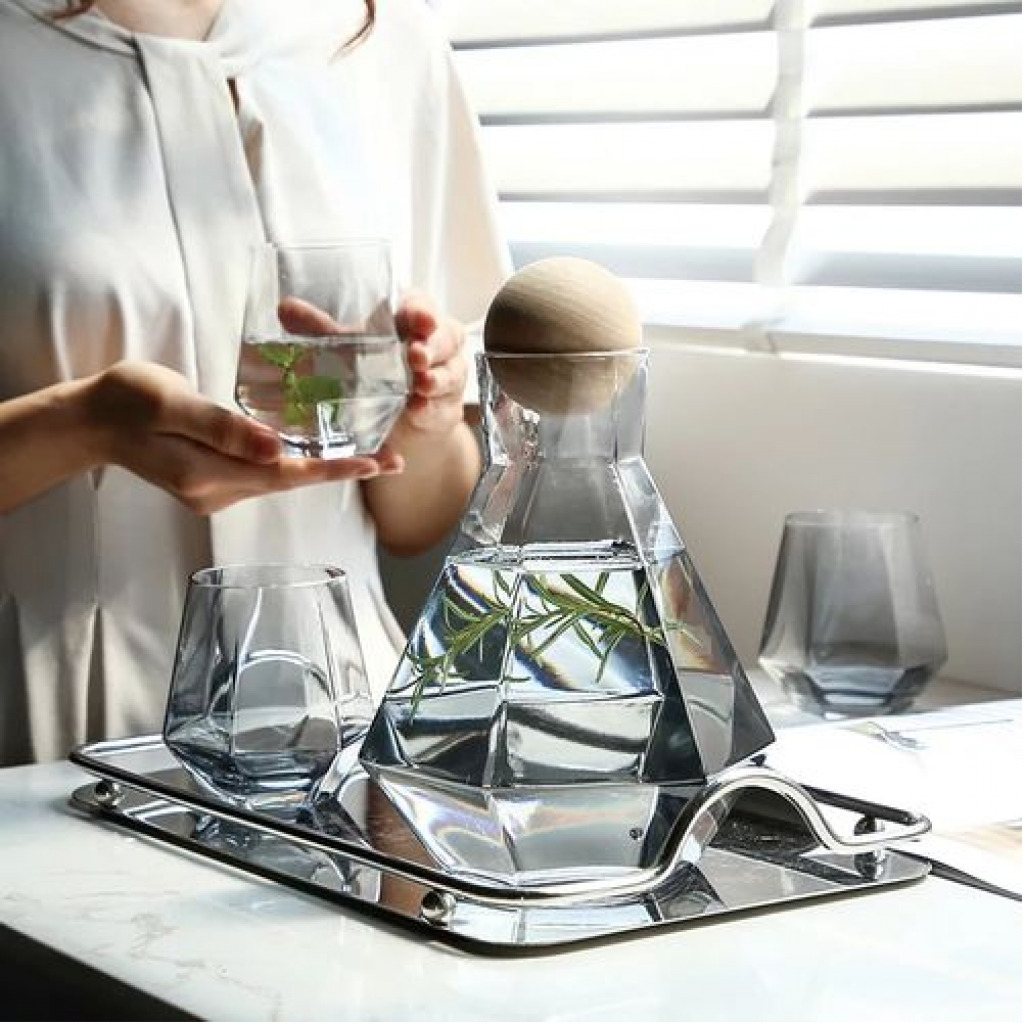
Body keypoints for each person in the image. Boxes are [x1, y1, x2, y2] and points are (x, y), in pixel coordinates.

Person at [0, 0, 511, 765]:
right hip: (46, 727)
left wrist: (425, 418)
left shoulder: (382, 39)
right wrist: (87, 424)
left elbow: (416, 519)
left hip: (345, 720)